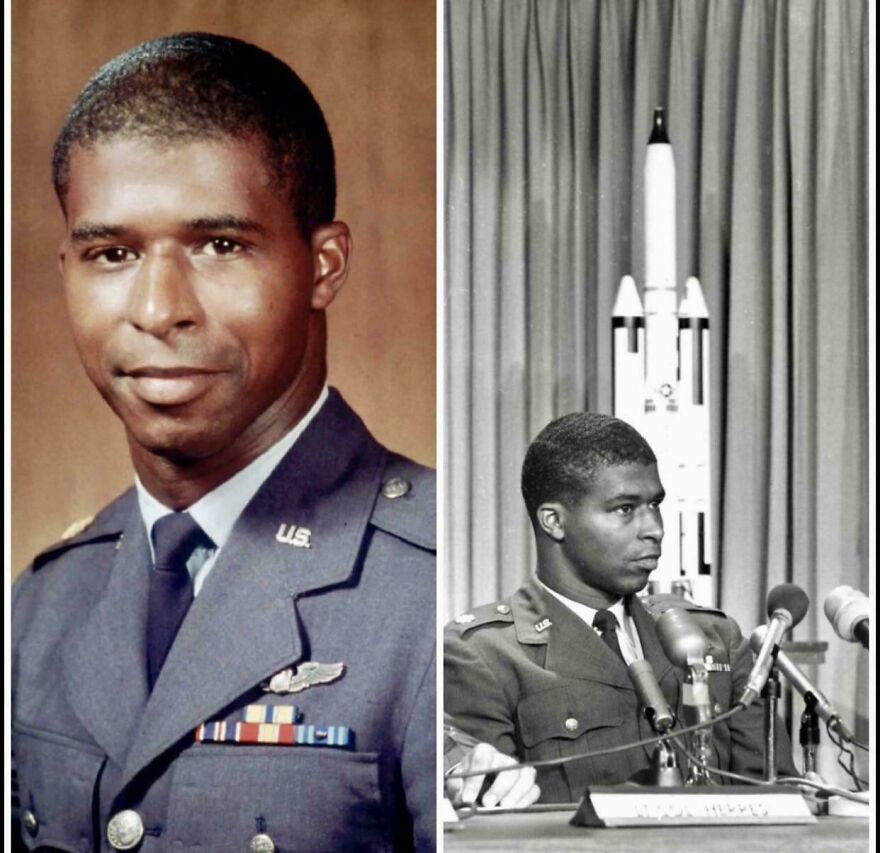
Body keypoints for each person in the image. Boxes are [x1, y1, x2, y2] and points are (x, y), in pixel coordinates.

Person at [11, 33, 435, 852]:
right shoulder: (41, 606)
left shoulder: (428, 591)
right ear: (65, 266)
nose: (159, 307)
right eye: (113, 253)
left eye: (220, 245)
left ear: (323, 265)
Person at [444, 412, 796, 804]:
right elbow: (488, 818)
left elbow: (777, 796)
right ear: (554, 522)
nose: (655, 528)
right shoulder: (483, 655)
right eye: (625, 508)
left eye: (655, 504)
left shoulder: (714, 638)